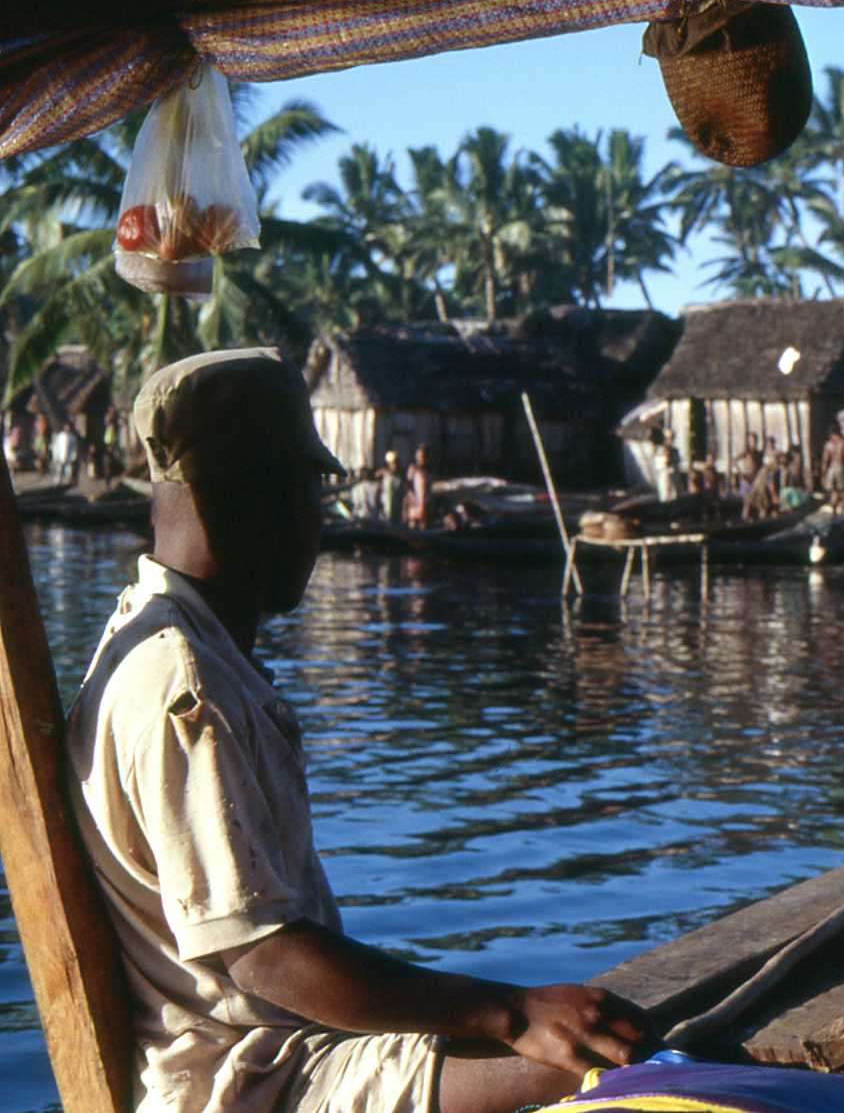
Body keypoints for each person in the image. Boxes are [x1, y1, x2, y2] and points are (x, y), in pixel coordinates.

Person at [65, 349, 653, 1113]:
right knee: (611, 1066)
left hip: (284, 1048)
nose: (319, 518)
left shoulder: (163, 639)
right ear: (252, 500)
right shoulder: (189, 691)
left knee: (608, 1037)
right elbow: (267, 956)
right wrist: (512, 1011)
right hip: (256, 1082)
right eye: (309, 491)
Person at [821, 427, 844, 514]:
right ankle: (841, 512)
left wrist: (823, 474)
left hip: (831, 470)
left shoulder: (828, 444)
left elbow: (825, 461)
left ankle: (834, 513)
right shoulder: (843, 443)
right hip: (840, 468)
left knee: (834, 492)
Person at [403, 444, 432, 530]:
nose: (420, 458)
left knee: (424, 524)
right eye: (419, 456)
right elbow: (407, 485)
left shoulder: (428, 470)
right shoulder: (413, 469)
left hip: (426, 502)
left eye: (423, 456)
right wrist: (411, 499)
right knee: (413, 524)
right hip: (415, 502)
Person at [378, 450, 405, 524]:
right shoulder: (386, 478)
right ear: (389, 464)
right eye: (393, 463)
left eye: (397, 463)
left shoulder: (399, 479)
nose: (395, 465)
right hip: (386, 515)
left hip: (397, 515)